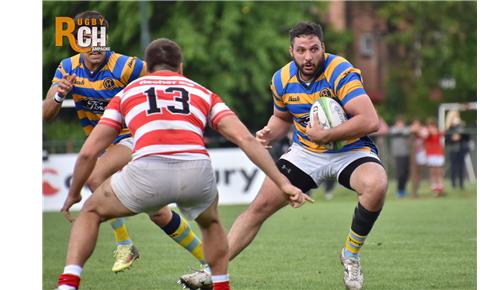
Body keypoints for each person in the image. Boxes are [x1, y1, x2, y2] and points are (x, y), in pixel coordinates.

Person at [55, 38, 311, 290]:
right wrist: (283, 183)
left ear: (148, 66)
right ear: (180, 67)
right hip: (196, 170)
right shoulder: (202, 92)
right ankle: (222, 286)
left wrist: (74, 193)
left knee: (90, 212)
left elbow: (89, 153)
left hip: (147, 170)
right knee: (211, 224)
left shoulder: (127, 93)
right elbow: (245, 139)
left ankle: (68, 284)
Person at [179, 21, 387, 290]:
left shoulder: (340, 71)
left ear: (323, 47)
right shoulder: (281, 79)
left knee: (377, 184)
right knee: (258, 208)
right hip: (306, 153)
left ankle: (350, 255)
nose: (308, 56)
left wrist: (327, 135)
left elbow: (370, 120)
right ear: (291, 51)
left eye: (314, 49)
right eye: (301, 50)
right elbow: (282, 117)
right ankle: (211, 272)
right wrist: (269, 132)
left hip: (350, 150)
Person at [43, 11, 207, 273]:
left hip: (132, 139)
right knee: (159, 213)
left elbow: (169, 77)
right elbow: (44, 114)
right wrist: (60, 95)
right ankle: (209, 262)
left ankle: (125, 245)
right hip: (104, 146)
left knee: (94, 177)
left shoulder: (125, 66)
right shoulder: (67, 68)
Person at [445, 110, 470, 190]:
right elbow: (447, 140)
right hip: (453, 149)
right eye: (454, 116)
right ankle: (453, 184)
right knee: (454, 166)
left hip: (461, 149)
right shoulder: (449, 128)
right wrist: (453, 139)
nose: (456, 118)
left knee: (461, 166)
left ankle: (461, 184)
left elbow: (467, 137)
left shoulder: (462, 126)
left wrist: (461, 133)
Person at [389, 115, 411, 198]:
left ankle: (403, 190)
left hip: (406, 154)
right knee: (400, 173)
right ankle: (399, 191)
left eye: (402, 123)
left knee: (406, 173)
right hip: (398, 155)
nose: (401, 124)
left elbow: (407, 130)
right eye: (399, 123)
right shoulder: (393, 129)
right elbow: (396, 131)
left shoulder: (405, 130)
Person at [422, 118, 445, 196]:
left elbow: (442, 132)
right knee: (432, 171)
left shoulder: (438, 132)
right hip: (430, 154)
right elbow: (424, 136)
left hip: (438, 154)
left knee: (439, 171)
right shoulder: (426, 132)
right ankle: (434, 187)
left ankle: (440, 187)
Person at [409, 118, 427, 198]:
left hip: (421, 154)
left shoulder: (422, 131)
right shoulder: (410, 132)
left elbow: (425, 134)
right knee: (413, 173)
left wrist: (418, 131)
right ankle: (414, 191)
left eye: (418, 124)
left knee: (418, 173)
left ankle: (417, 190)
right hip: (412, 155)